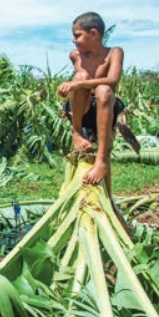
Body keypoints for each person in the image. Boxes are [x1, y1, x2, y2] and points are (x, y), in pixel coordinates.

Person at [57, 12, 125, 197]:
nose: (74, 41)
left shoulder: (114, 52)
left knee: (103, 89)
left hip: (104, 109)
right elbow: (79, 84)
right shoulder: (75, 56)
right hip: (82, 110)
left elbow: (112, 80)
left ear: (93, 33)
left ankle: (101, 161)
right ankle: (76, 131)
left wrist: (77, 84)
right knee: (81, 76)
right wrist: (73, 86)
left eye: (77, 35)